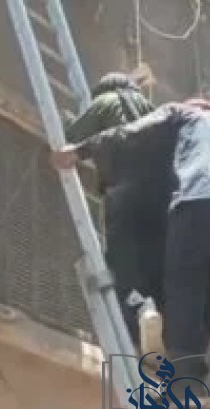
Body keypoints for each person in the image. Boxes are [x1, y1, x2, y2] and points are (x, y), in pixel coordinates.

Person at [51, 97, 210, 386]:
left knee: (181, 286)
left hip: (194, 202)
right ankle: (190, 385)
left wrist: (81, 150)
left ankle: (177, 379)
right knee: (203, 301)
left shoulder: (183, 114)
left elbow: (134, 133)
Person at [63, 72, 164, 350]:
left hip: (124, 193)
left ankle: (131, 331)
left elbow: (72, 138)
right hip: (157, 201)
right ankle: (150, 312)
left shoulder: (106, 102)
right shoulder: (152, 112)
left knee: (122, 264)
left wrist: (67, 120)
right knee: (147, 263)